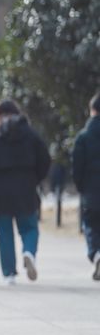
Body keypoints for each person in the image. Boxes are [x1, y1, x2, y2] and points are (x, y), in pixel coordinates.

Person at [0, 100, 51, 285]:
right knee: (30, 227)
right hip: (26, 186)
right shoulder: (31, 134)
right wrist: (35, 178)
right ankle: (29, 252)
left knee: (4, 232)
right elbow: (45, 159)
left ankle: (9, 274)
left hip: (0, 189)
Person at [73, 92, 100, 280]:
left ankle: (96, 254)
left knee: (90, 226)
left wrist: (80, 186)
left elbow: (77, 166)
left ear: (92, 110)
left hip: (91, 190)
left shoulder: (83, 137)